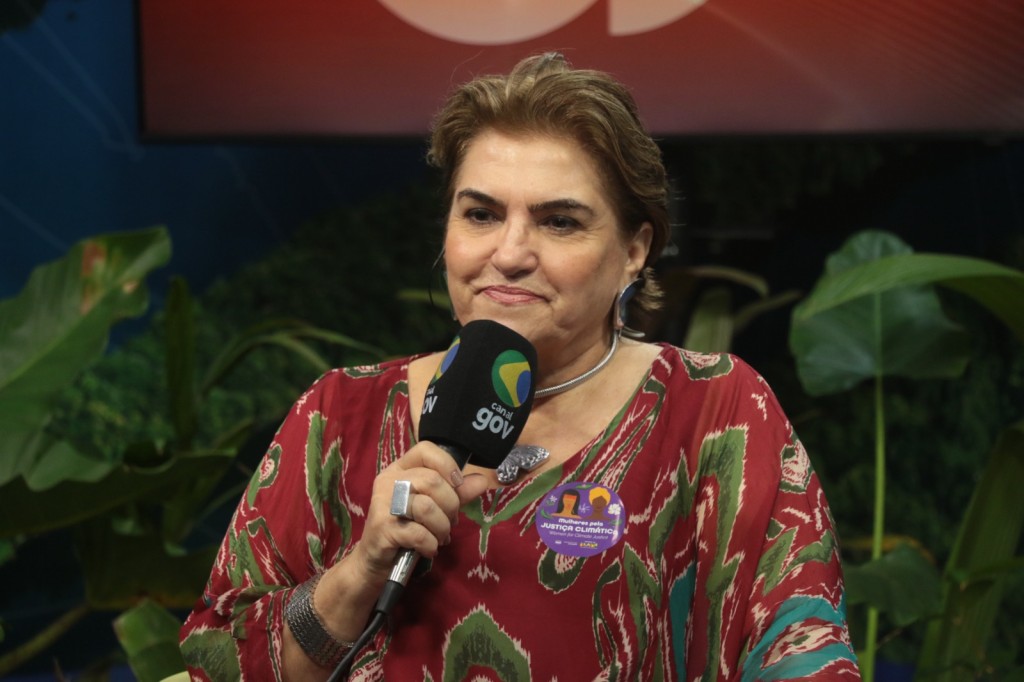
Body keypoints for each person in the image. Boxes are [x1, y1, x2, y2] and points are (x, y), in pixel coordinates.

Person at [179, 52, 860, 680]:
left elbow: (805, 651)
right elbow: (217, 664)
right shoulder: (340, 415)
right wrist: (360, 572)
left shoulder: (715, 411)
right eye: (480, 214)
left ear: (634, 251)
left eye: (559, 222)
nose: (508, 254)